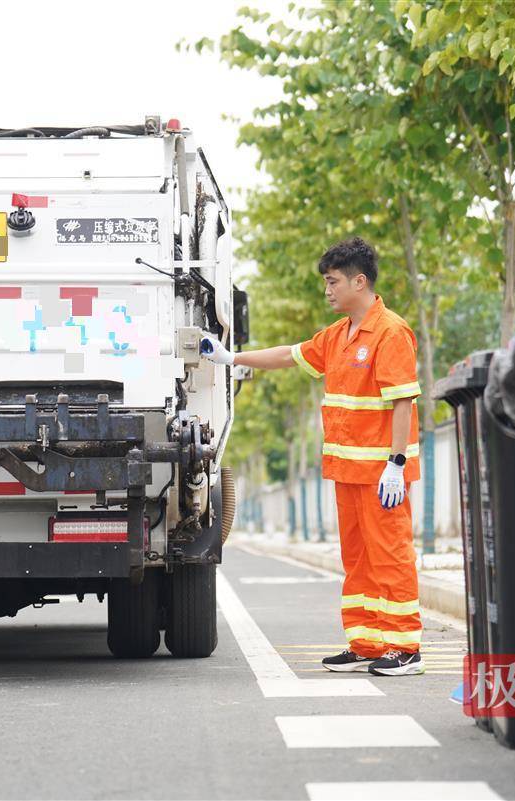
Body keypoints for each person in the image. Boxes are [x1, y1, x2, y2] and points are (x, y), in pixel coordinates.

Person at [200, 236, 423, 677]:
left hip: (381, 475)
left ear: (360, 282)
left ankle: (406, 647)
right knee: (358, 558)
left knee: (390, 555)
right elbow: (289, 354)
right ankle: (366, 642)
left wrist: (396, 464)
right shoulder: (338, 336)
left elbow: (403, 402)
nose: (328, 289)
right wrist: (231, 357)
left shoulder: (390, 332)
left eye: (333, 281)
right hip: (347, 472)